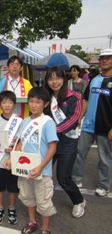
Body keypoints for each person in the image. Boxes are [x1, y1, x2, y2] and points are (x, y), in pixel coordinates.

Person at [5, 87, 58, 234]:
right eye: (31, 101)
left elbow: (52, 148)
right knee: (28, 196)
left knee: (43, 200)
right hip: (25, 167)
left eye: (38, 102)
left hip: (42, 170)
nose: (34, 105)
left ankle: (45, 228)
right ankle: (32, 221)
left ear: (45, 104)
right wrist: (11, 158)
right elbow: (20, 143)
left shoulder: (48, 122)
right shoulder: (25, 121)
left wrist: (41, 167)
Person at [44, 67, 86, 218]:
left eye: (58, 78)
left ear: (64, 79)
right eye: (50, 78)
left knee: (63, 178)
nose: (54, 82)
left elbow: (74, 119)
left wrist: (51, 131)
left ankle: (79, 200)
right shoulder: (46, 97)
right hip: (49, 143)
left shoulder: (74, 97)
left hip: (67, 142)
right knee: (44, 174)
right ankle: (44, 202)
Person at [72, 49, 112, 197]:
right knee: (80, 153)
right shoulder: (94, 79)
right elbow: (86, 100)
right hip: (88, 125)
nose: (104, 61)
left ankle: (104, 185)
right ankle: (76, 179)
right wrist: (79, 118)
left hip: (106, 127)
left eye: (108, 58)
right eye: (102, 58)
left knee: (105, 158)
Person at [0, 90, 22, 225]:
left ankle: (12, 208)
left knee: (13, 187)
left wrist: (13, 149)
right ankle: (0, 208)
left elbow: (20, 140)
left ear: (14, 104)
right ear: (0, 104)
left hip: (13, 160)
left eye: (10, 102)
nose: (7, 105)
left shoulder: (19, 121)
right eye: (4, 102)